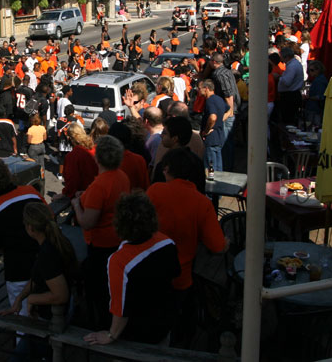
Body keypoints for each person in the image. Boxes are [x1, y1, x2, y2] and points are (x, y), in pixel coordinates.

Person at [147, 147, 227, 347]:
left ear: (168, 169)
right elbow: (217, 246)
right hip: (181, 278)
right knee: (179, 329)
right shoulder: (201, 202)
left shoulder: (154, 191)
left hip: (150, 273)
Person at [83, 193, 179, 346]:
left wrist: (111, 335)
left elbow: (120, 309)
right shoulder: (167, 242)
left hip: (136, 333)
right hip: (164, 322)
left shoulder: (119, 261)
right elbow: (174, 274)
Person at [0, 202, 77, 360]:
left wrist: (32, 299)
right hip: (55, 315)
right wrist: (20, 298)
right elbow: (39, 277)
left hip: (50, 320)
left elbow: (61, 295)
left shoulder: (47, 254)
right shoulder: (57, 241)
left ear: (30, 228)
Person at [72, 135, 131, 330]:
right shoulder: (121, 176)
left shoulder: (100, 185)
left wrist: (76, 205)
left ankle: (100, 327)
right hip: (117, 239)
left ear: (98, 158)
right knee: (110, 287)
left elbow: (87, 222)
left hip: (100, 245)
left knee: (98, 291)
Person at [0, 159, 45, 319]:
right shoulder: (31, 192)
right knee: (48, 315)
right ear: (8, 174)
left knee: (22, 319)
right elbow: (49, 217)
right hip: (44, 263)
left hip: (17, 271)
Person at [200, 79, 228, 173]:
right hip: (219, 136)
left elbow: (213, 117)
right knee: (218, 168)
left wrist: (206, 130)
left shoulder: (210, 101)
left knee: (211, 169)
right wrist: (221, 120)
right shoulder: (219, 99)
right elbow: (229, 110)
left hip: (211, 138)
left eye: (200, 88)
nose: (198, 91)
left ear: (206, 88)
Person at [276, 46, 305, 126]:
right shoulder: (294, 64)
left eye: (281, 57)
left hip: (290, 96)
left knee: (288, 121)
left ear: (286, 57)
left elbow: (287, 82)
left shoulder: (292, 66)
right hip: (291, 95)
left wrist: (279, 77)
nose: (280, 59)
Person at [304, 60, 329, 128]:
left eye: (312, 70)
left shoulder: (319, 81)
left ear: (318, 70)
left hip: (316, 110)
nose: (310, 72)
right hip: (314, 109)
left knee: (314, 127)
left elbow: (320, 97)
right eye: (309, 70)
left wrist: (308, 97)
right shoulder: (318, 79)